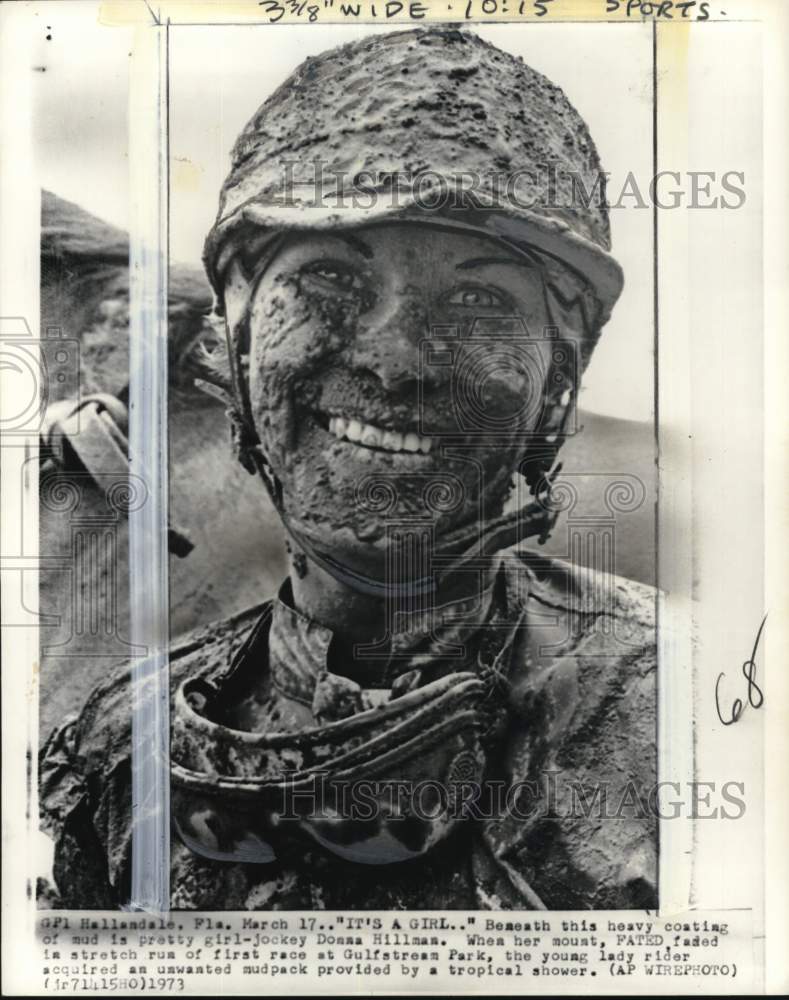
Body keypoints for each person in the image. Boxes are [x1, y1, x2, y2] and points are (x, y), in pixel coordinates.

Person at [40, 26, 657, 910]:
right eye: (329, 277)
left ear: (556, 383)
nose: (395, 362)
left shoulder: (695, 708)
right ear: (239, 351)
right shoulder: (111, 746)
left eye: (480, 299)